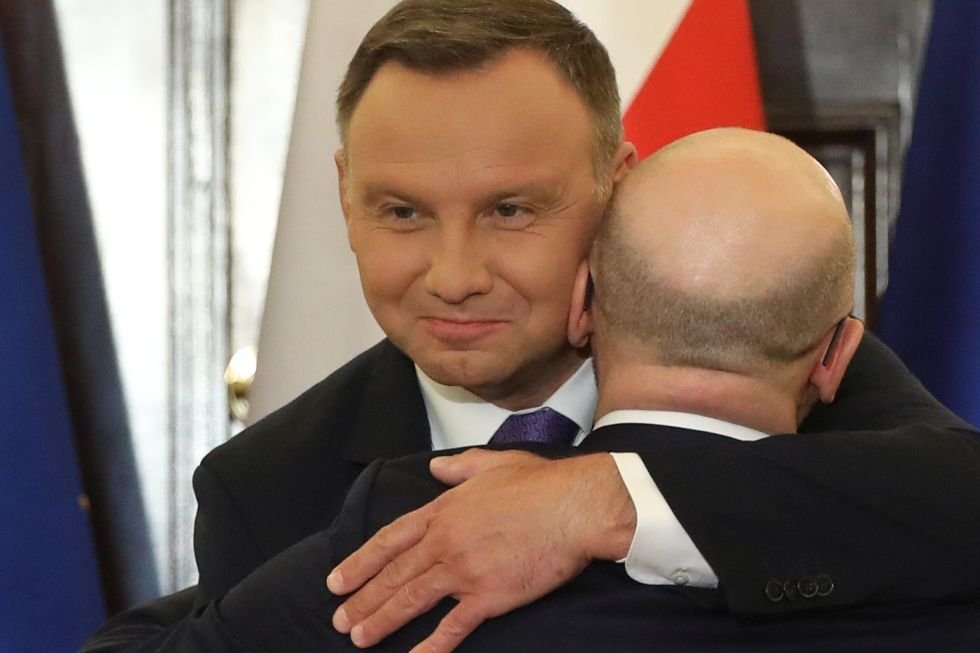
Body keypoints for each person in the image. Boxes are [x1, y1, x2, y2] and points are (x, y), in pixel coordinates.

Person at [82, 1, 980, 651]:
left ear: (616, 187)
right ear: (346, 194)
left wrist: (606, 500)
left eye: (510, 210)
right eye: (401, 212)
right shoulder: (270, 482)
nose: (455, 276)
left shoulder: (780, 368)